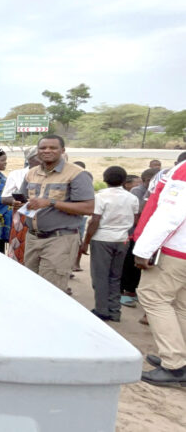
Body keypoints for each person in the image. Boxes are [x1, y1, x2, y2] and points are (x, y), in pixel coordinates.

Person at [132, 158, 186, 386]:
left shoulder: (183, 171)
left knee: (154, 297)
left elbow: (171, 214)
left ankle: (174, 364)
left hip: (175, 250)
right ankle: (180, 357)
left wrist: (144, 249)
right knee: (182, 304)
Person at [19, 135, 95, 292]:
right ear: (37, 151)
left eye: (52, 148)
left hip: (60, 239)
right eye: (43, 148)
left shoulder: (77, 174)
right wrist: (21, 203)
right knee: (30, 285)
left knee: (51, 290)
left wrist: (51, 202)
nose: (47, 151)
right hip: (33, 237)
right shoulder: (31, 173)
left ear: (62, 150)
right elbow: (25, 198)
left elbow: (88, 208)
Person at [79, 166, 138, 323]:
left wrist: (86, 242)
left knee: (100, 276)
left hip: (102, 239)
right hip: (122, 240)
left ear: (104, 179)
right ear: (125, 181)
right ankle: (114, 311)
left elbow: (95, 220)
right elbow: (136, 218)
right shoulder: (131, 197)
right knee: (115, 276)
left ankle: (101, 309)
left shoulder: (101, 196)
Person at [120, 167, 160, 307]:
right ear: (147, 181)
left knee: (139, 266)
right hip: (134, 234)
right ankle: (126, 291)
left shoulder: (152, 191)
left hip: (145, 234)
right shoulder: (138, 192)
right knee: (130, 264)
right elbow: (138, 215)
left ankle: (132, 290)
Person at [4, 147, 41, 264]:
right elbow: (5, 198)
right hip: (21, 218)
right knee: (18, 253)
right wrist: (15, 201)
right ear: (30, 159)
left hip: (43, 217)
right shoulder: (17, 174)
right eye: (38, 157)